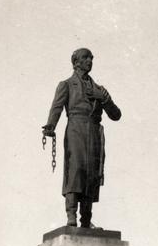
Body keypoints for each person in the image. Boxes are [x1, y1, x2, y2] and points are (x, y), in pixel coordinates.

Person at [42, 48, 121, 227]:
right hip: (76, 129)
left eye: (91, 58)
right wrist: (50, 126)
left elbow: (116, 115)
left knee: (92, 173)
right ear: (76, 61)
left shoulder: (100, 90)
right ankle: (72, 215)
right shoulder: (67, 84)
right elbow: (57, 107)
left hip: (94, 131)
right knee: (75, 170)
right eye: (85, 57)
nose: (90, 61)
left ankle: (86, 218)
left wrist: (104, 99)